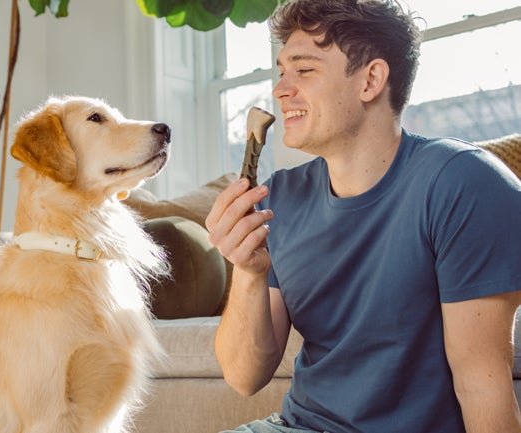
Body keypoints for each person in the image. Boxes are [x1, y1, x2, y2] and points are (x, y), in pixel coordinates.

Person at [205, 1, 521, 432]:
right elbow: (244, 377)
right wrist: (248, 270)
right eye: (282, 71)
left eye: (304, 70)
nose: (280, 89)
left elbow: (482, 384)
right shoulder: (280, 196)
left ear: (370, 79)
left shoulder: (462, 184)